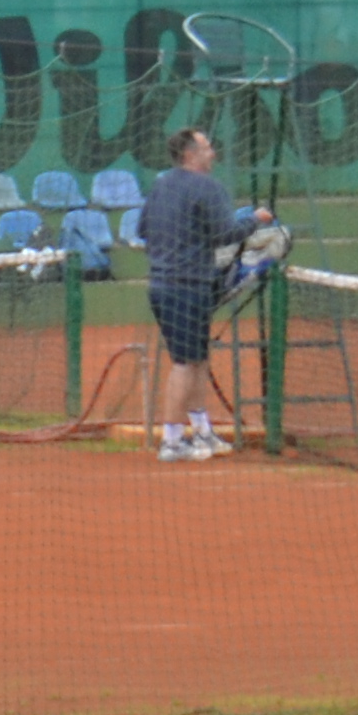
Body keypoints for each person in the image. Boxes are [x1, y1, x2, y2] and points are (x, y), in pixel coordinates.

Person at [139, 126, 248, 464]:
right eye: (206, 148)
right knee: (184, 365)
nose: (212, 153)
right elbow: (226, 234)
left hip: (167, 286)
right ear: (190, 155)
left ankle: (201, 430)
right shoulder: (208, 187)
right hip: (185, 287)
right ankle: (172, 441)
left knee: (198, 359)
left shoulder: (159, 185)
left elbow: (143, 229)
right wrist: (257, 222)